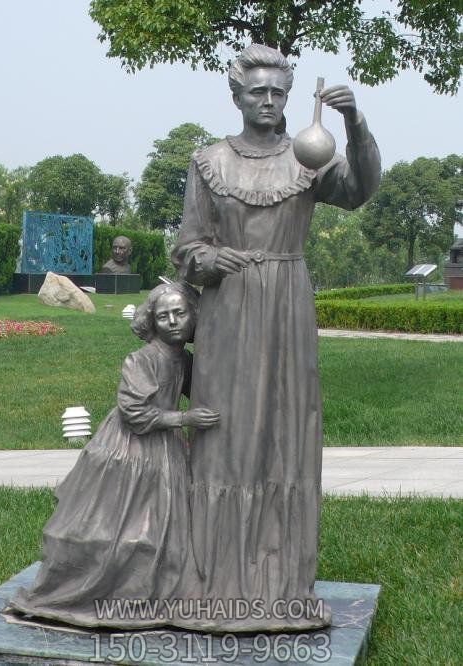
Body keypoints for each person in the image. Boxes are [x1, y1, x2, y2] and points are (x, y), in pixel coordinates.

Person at [171, 44, 381, 631]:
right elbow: (187, 245)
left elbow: (359, 188)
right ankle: (215, 574)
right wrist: (208, 259)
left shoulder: (308, 154)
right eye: (256, 91)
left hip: (288, 302)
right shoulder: (209, 161)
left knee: (287, 430)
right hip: (229, 305)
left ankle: (283, 578)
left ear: (289, 97)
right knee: (226, 430)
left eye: (277, 92)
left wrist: (354, 122)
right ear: (237, 97)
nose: (268, 101)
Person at [7, 282, 219, 628]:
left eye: (180, 313)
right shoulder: (142, 359)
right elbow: (135, 413)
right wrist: (185, 419)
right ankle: (109, 589)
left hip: (165, 449)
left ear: (193, 316)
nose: (172, 322)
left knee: (167, 526)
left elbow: (202, 389)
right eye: (163, 316)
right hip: (129, 449)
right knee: (118, 528)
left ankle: (159, 587)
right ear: (152, 322)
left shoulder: (183, 359)